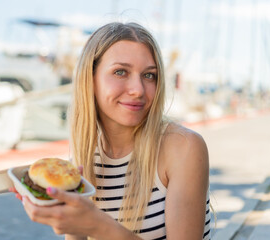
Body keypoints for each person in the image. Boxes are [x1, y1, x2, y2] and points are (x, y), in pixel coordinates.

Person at [11, 22, 211, 240]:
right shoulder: (86, 155)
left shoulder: (183, 147)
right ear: (91, 79)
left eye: (149, 75)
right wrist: (64, 217)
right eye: (120, 72)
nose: (137, 90)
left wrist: (98, 226)